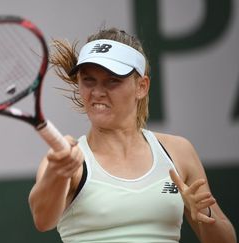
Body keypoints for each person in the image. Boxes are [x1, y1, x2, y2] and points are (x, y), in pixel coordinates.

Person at [28, 27, 237, 243]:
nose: (98, 91)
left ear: (142, 87)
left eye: (112, 80)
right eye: (89, 80)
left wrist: (205, 215)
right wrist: (58, 172)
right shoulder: (66, 161)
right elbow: (43, 220)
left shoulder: (179, 152)